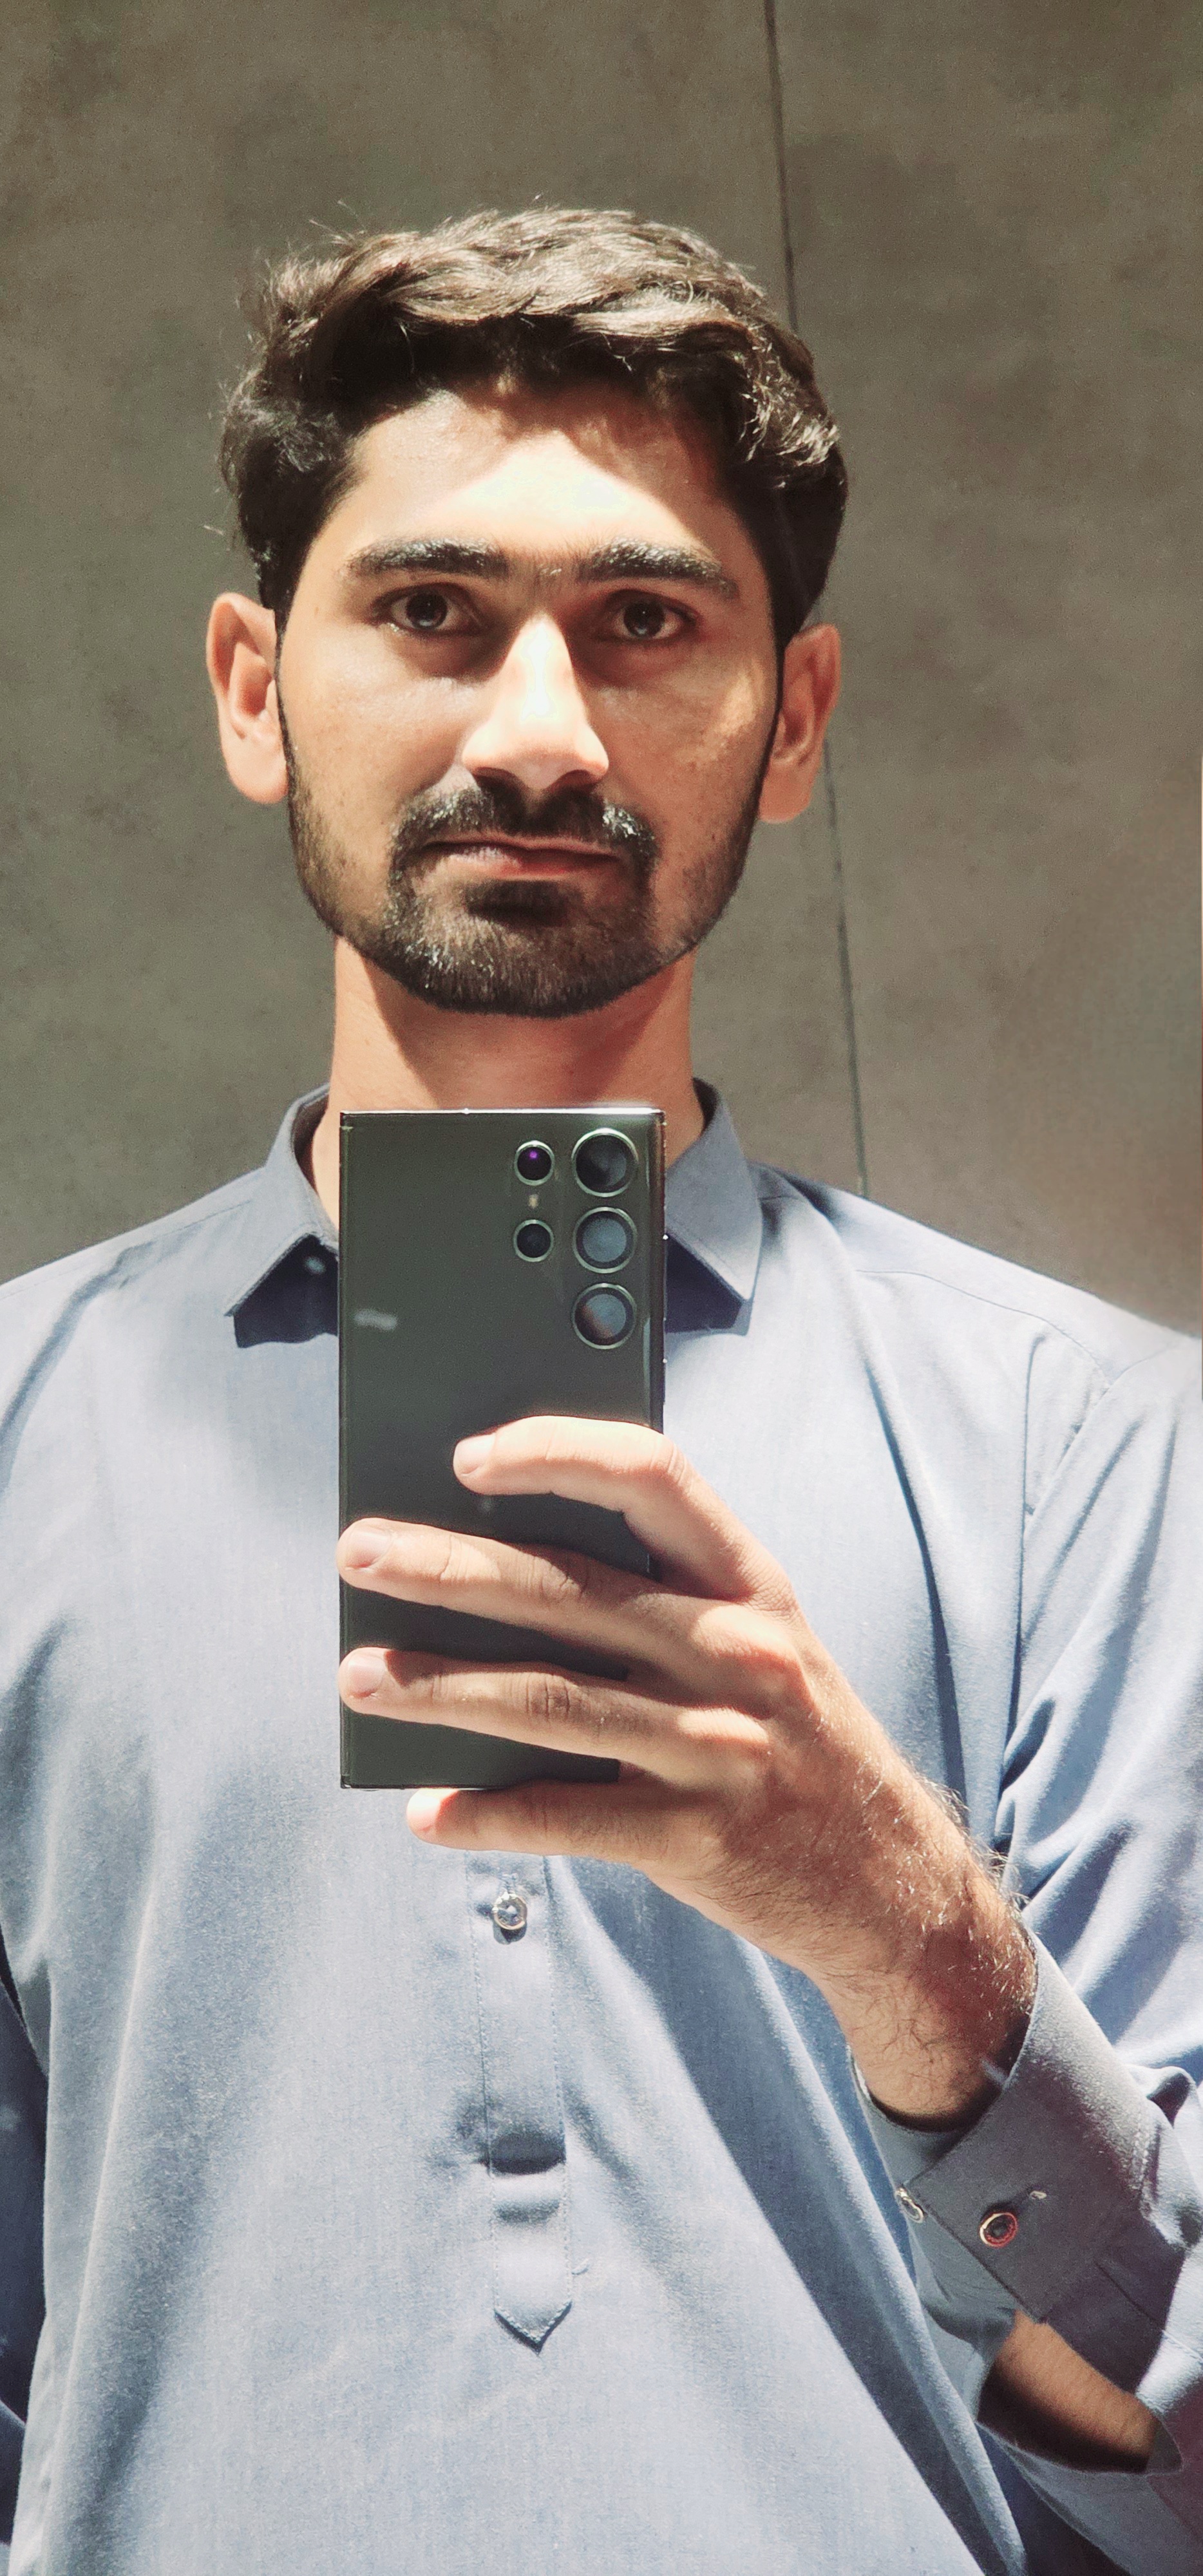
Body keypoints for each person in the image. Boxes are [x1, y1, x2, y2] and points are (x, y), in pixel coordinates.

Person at [0, 209, 1198, 2576]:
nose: (540, 731)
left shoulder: (1090, 1449)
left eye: (645, 622)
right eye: (432, 611)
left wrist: (900, 1927)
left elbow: (1179, 2475)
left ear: (795, 718)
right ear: (252, 690)